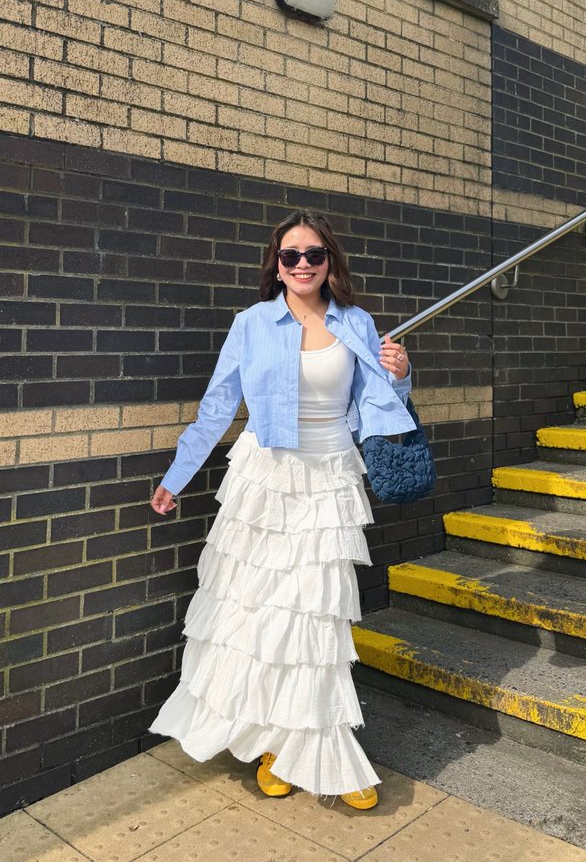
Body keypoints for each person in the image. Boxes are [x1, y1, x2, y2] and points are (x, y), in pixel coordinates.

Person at [149, 210, 415, 809]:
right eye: (290, 255)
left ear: (330, 263)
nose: (301, 264)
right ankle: (273, 745)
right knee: (261, 617)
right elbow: (218, 406)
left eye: (313, 255)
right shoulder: (251, 324)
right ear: (275, 262)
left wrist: (400, 377)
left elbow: (378, 405)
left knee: (316, 621)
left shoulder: (358, 323)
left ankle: (321, 748)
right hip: (264, 483)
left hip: (329, 482)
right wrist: (177, 476)